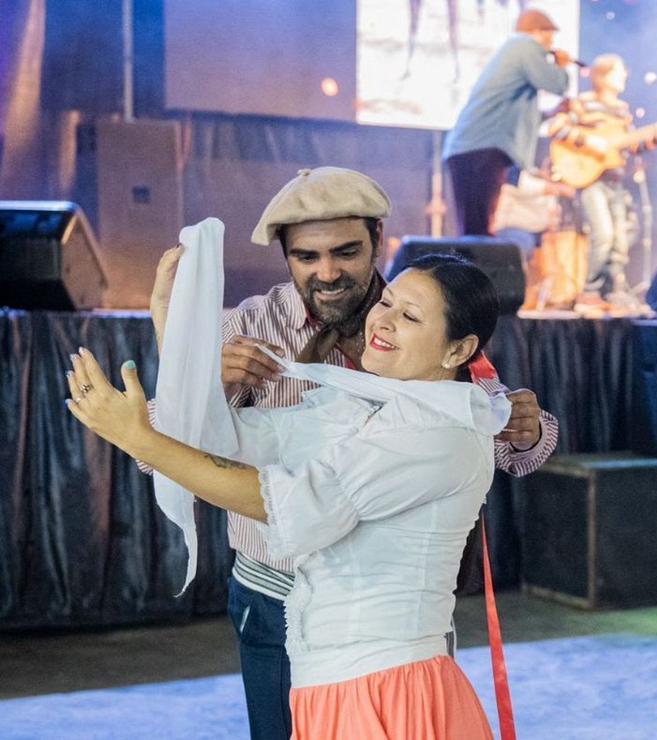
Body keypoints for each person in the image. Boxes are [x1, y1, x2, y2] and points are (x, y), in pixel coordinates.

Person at [142, 166, 558, 740]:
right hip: (271, 586)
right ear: (286, 256)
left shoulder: (427, 313)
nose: (328, 271)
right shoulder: (244, 326)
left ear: (378, 240)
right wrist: (201, 383)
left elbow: (502, 444)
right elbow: (165, 457)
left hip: (385, 625)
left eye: (346, 251)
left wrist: (528, 429)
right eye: (307, 257)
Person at [68, 250, 506, 739]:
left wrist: (137, 438)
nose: (383, 321)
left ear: (457, 350)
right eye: (386, 303)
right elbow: (227, 440)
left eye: (410, 316)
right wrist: (176, 336)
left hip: (387, 687)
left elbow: (286, 501)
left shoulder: (440, 431)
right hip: (331, 684)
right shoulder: (362, 405)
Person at [442, 9, 571, 235]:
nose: (552, 44)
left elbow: (515, 115)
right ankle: (474, 270)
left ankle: (474, 267)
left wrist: (550, 113)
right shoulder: (524, 45)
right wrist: (561, 65)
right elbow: (556, 84)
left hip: (474, 150)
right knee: (477, 231)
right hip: (479, 151)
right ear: (537, 32)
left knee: (477, 228)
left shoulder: (513, 53)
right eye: (550, 36)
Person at [546, 53, 655, 311]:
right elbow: (556, 128)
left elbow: (629, 147)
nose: (624, 76)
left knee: (620, 237)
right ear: (602, 75)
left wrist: (655, 136)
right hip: (591, 180)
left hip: (615, 179)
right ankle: (590, 291)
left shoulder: (622, 110)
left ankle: (611, 292)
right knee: (603, 234)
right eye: (618, 71)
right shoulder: (583, 103)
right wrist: (588, 141)